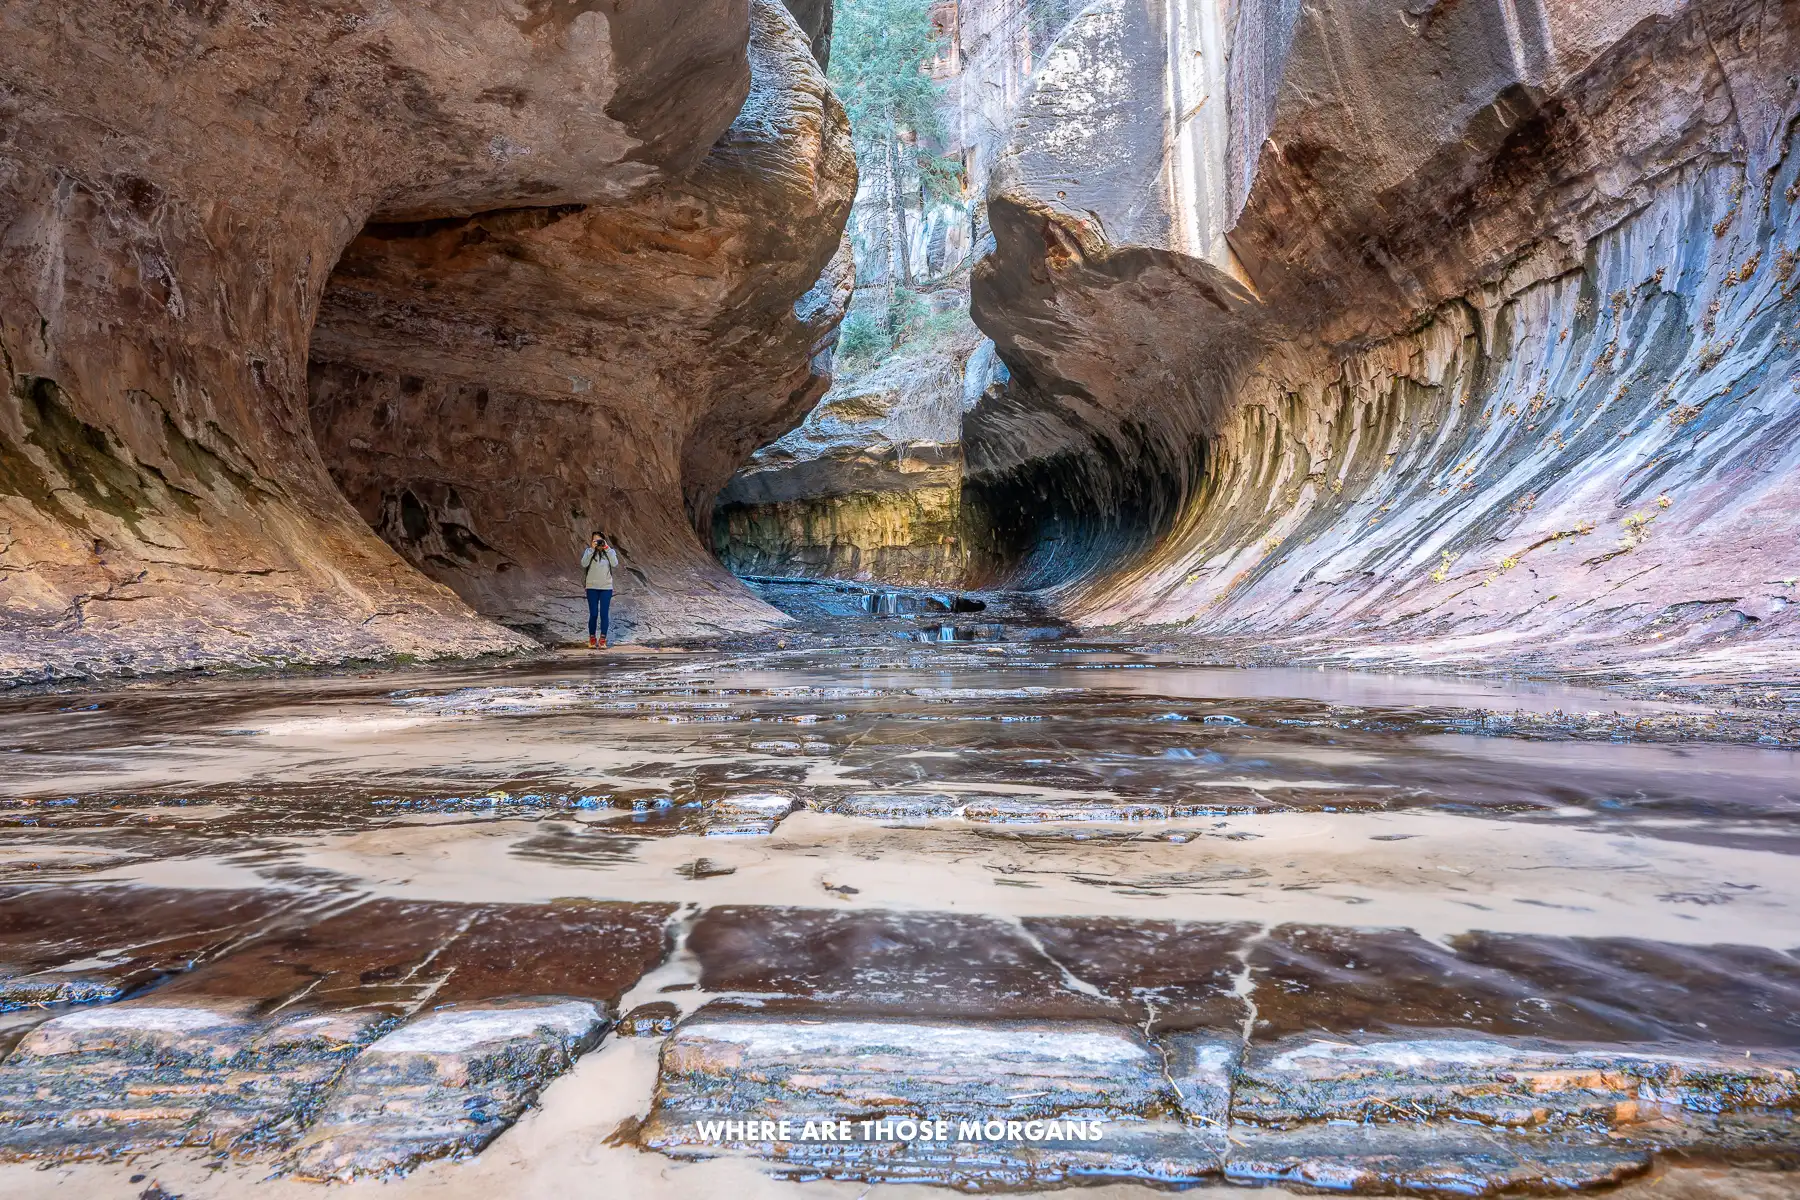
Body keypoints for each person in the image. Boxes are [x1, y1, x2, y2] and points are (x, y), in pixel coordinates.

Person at [580, 532, 619, 648]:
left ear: (604, 540)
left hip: (606, 588)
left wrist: (607, 548)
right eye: (595, 540)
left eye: (599, 540)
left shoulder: (609, 552)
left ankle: (603, 639)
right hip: (592, 587)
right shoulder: (589, 552)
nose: (597, 543)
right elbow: (583, 563)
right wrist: (591, 549)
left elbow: (615, 563)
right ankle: (592, 638)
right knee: (593, 614)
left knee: (604, 614)